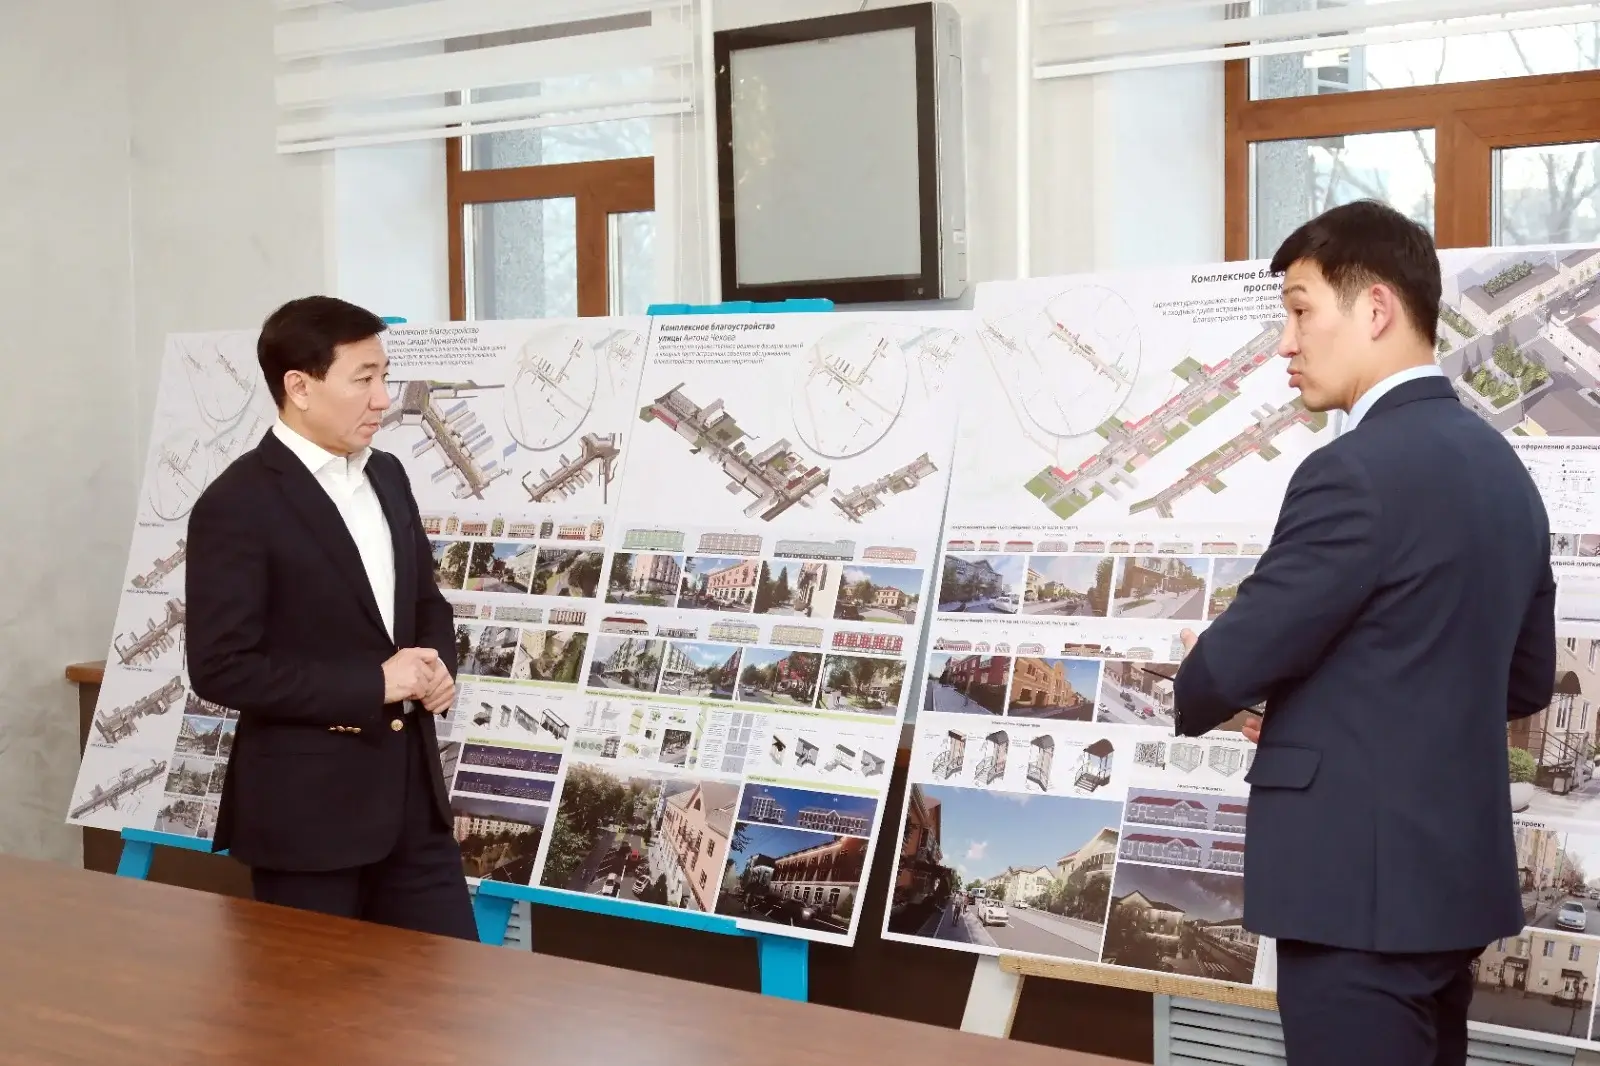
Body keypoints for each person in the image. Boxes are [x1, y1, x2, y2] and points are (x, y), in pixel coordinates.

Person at [1172, 200, 1555, 1065]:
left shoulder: (1351, 471)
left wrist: (1209, 682)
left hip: (1353, 894)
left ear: (1376, 308)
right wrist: (1328, 708)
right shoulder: (1505, 472)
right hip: (1449, 894)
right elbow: (1523, 681)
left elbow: (1226, 666)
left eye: (1300, 310)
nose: (1286, 343)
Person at [185, 295, 477, 940]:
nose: (383, 399)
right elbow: (221, 667)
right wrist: (376, 683)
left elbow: (424, 601)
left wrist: (435, 666)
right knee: (310, 1003)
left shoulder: (389, 475)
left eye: (384, 376)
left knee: (453, 991)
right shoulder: (237, 503)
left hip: (415, 808)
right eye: (363, 379)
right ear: (299, 387)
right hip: (307, 819)